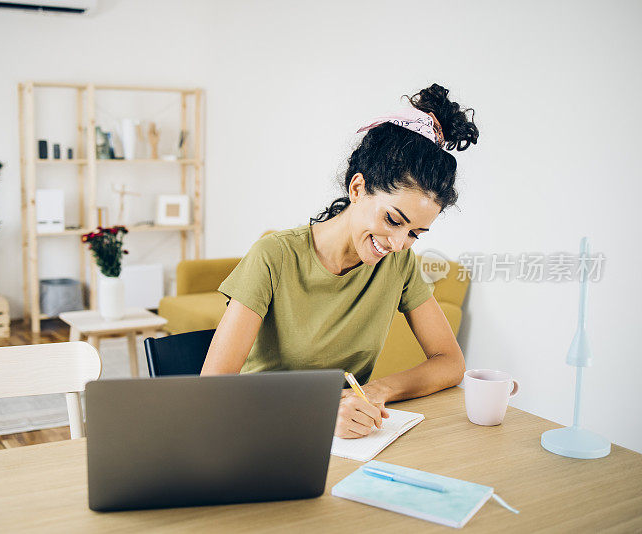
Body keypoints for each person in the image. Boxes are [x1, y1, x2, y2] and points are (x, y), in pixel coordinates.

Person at [201, 83, 480, 439]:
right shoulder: (274, 257)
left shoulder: (399, 265)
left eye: (415, 233)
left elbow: (451, 363)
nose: (397, 243)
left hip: (344, 438)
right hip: (258, 430)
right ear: (358, 188)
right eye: (393, 220)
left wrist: (377, 391)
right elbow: (213, 389)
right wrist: (317, 412)